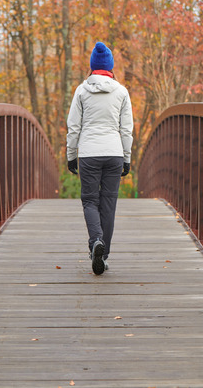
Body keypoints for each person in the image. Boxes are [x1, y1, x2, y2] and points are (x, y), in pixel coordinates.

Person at [66, 41, 133, 275]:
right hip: (114, 153)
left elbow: (73, 126)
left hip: (89, 154)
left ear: (92, 67)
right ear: (110, 67)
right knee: (108, 204)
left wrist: (71, 155)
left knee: (90, 201)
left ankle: (96, 241)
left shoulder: (82, 90)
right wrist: (126, 158)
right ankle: (103, 256)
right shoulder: (122, 91)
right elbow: (126, 129)